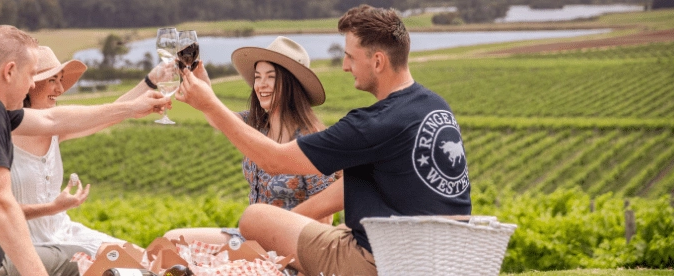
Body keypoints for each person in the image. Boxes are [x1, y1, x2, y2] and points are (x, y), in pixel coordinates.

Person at [176, 5, 471, 276]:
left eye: (350, 56)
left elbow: (274, 161)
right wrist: (284, 225)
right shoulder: (434, 106)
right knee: (265, 223)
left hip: (384, 261)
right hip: (441, 258)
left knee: (254, 218)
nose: (344, 66)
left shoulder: (374, 123)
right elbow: (350, 187)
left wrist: (209, 103)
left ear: (378, 61)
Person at [0, 25, 169, 276]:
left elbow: (52, 121)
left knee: (96, 258)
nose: (32, 84)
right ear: (9, 71)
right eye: (31, 74)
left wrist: (131, 108)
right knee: (89, 263)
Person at [6, 46, 175, 271]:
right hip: (30, 243)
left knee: (144, 259)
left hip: (63, 231)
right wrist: (52, 206)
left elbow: (109, 114)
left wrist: (151, 81)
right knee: (117, 268)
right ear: (29, 85)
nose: (60, 88)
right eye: (52, 80)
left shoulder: (55, 130)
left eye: (61, 80)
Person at [161, 37, 341, 245]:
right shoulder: (256, 124)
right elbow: (221, 120)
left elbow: (325, 221)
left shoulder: (310, 140)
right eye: (258, 77)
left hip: (289, 244)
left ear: (292, 84)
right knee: (172, 240)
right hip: (250, 238)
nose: (261, 85)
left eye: (271, 77)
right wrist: (204, 87)